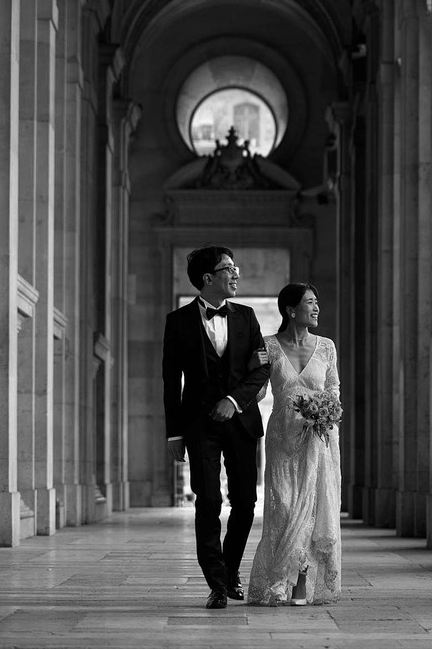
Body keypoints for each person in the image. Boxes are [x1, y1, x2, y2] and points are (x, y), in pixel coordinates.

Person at [162, 246, 270, 609]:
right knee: (208, 501)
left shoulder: (248, 317)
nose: (237, 274)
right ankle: (217, 583)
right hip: (198, 426)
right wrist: (174, 434)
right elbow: (169, 381)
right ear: (208, 278)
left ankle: (231, 568)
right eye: (229, 269)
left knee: (245, 502)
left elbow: (261, 370)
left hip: (241, 422)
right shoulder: (176, 322)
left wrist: (234, 400)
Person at [247, 282, 342, 606]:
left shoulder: (326, 347)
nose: (316, 308)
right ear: (290, 310)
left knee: (312, 511)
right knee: (284, 507)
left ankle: (300, 584)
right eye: (310, 303)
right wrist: (247, 377)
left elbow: (334, 390)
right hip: (282, 437)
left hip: (318, 439)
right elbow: (258, 391)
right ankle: (277, 580)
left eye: (317, 302)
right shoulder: (268, 346)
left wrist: (327, 411)